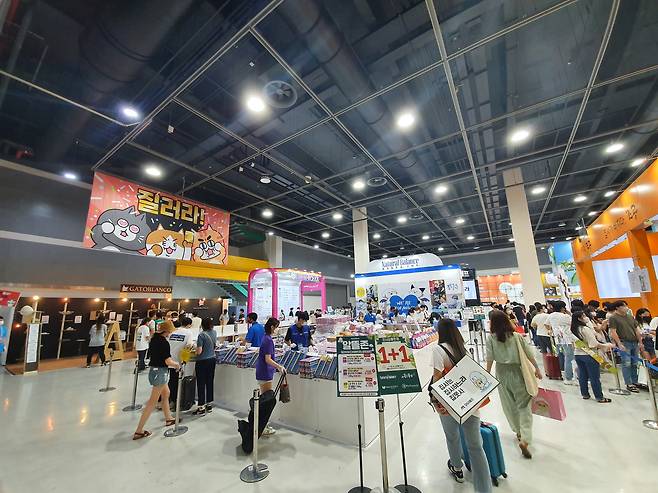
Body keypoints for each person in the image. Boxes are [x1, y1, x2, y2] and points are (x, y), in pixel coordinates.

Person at [430, 318, 492, 493]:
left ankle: (457, 468)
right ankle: (484, 488)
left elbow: (437, 376)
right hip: (469, 403)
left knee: (452, 437)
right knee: (476, 447)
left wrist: (435, 399)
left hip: (449, 402)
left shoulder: (438, 349)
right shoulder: (463, 350)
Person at [486, 310, 542, 459]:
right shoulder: (516, 337)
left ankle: (518, 431)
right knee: (524, 406)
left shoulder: (491, 338)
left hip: (501, 373)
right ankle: (525, 438)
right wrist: (537, 369)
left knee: (509, 405)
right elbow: (529, 354)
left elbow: (489, 358)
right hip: (518, 372)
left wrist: (487, 375)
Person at [133, 320, 180, 440]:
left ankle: (168, 418)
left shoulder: (154, 339)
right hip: (160, 372)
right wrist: (177, 365)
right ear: (167, 331)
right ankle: (139, 430)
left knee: (166, 394)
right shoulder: (164, 343)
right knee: (152, 402)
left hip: (155, 371)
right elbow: (167, 361)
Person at [571, 311, 613, 403]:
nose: (586, 317)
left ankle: (585, 394)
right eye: (583, 316)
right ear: (579, 318)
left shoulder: (573, 329)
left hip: (578, 354)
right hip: (590, 355)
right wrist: (606, 345)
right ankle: (599, 397)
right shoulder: (585, 329)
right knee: (594, 377)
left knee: (583, 375)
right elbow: (593, 344)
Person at [256, 317, 286, 436]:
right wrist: (279, 366)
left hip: (263, 372)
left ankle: (262, 425)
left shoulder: (266, 338)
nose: (278, 329)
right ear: (272, 327)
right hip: (265, 373)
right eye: (277, 327)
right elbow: (267, 359)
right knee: (266, 402)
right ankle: (262, 426)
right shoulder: (268, 340)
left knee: (265, 400)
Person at [608, 300, 643, 392]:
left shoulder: (630, 317)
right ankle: (628, 383)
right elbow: (613, 331)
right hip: (624, 342)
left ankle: (635, 381)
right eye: (624, 306)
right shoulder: (613, 318)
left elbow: (636, 330)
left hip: (634, 342)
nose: (626, 307)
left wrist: (640, 342)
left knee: (634, 363)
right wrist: (619, 343)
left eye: (626, 306)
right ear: (617, 307)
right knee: (626, 363)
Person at [167, 316, 195, 406]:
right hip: (178, 361)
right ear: (189, 325)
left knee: (171, 380)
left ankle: (168, 399)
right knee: (176, 381)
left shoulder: (173, 331)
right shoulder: (188, 333)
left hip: (169, 359)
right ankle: (174, 401)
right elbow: (189, 345)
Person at [547, 301, 576, 385]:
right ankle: (568, 377)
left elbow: (546, 324)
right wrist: (569, 314)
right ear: (563, 308)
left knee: (562, 356)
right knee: (569, 358)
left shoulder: (551, 315)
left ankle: (564, 373)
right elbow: (573, 323)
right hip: (567, 339)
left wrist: (552, 330)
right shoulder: (565, 316)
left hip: (558, 339)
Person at [193, 317, 217, 416]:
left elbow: (199, 351)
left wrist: (194, 351)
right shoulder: (214, 332)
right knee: (210, 381)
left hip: (202, 361)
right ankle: (209, 404)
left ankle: (201, 406)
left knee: (201, 383)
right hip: (212, 359)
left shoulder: (201, 335)